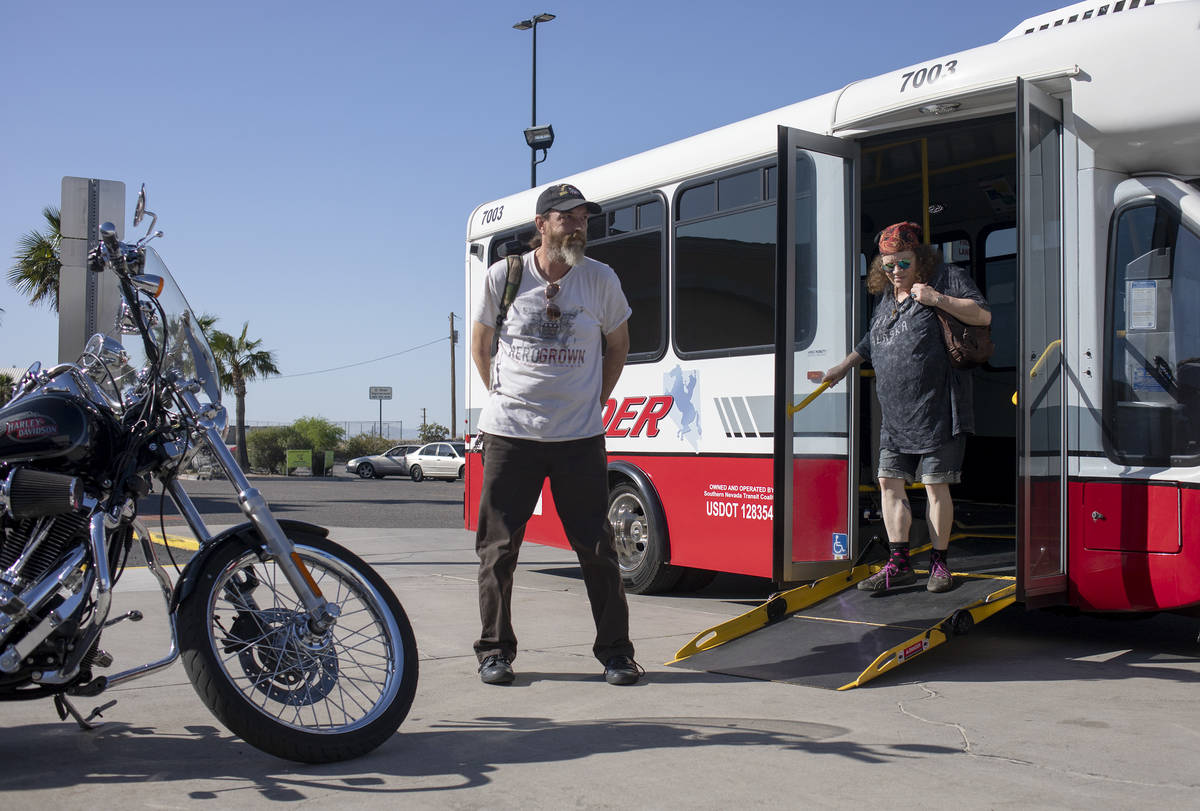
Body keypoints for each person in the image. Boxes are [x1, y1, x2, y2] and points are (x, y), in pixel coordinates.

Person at [469, 183, 640, 686]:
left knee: (597, 547)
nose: (577, 225)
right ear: (541, 224)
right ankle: (494, 651)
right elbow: (481, 346)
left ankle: (616, 653)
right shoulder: (506, 275)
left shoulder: (601, 279)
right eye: (566, 217)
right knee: (498, 549)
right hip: (510, 435)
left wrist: (595, 400)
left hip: (578, 438)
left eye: (583, 217)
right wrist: (506, 399)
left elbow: (618, 347)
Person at [822, 221, 991, 593]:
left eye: (902, 263)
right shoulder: (887, 300)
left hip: (939, 410)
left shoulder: (945, 280)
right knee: (889, 483)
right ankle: (899, 564)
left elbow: (983, 315)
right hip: (895, 415)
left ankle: (939, 565)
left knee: (935, 485)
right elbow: (870, 342)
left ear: (921, 260)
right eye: (887, 265)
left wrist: (937, 299)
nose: (894, 272)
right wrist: (841, 368)